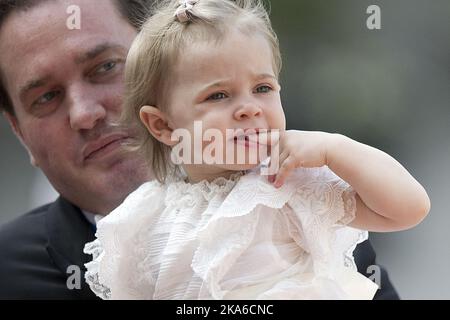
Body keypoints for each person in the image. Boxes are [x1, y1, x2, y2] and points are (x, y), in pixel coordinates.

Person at [83, 0, 430, 300]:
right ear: (163, 125)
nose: (249, 108)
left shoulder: (288, 183)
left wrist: (334, 147)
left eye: (262, 88)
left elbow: (407, 208)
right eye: (218, 95)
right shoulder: (143, 217)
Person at [0, 0, 155, 299]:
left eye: (106, 67)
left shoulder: (266, 205)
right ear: (20, 133)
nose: (84, 114)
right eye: (46, 97)